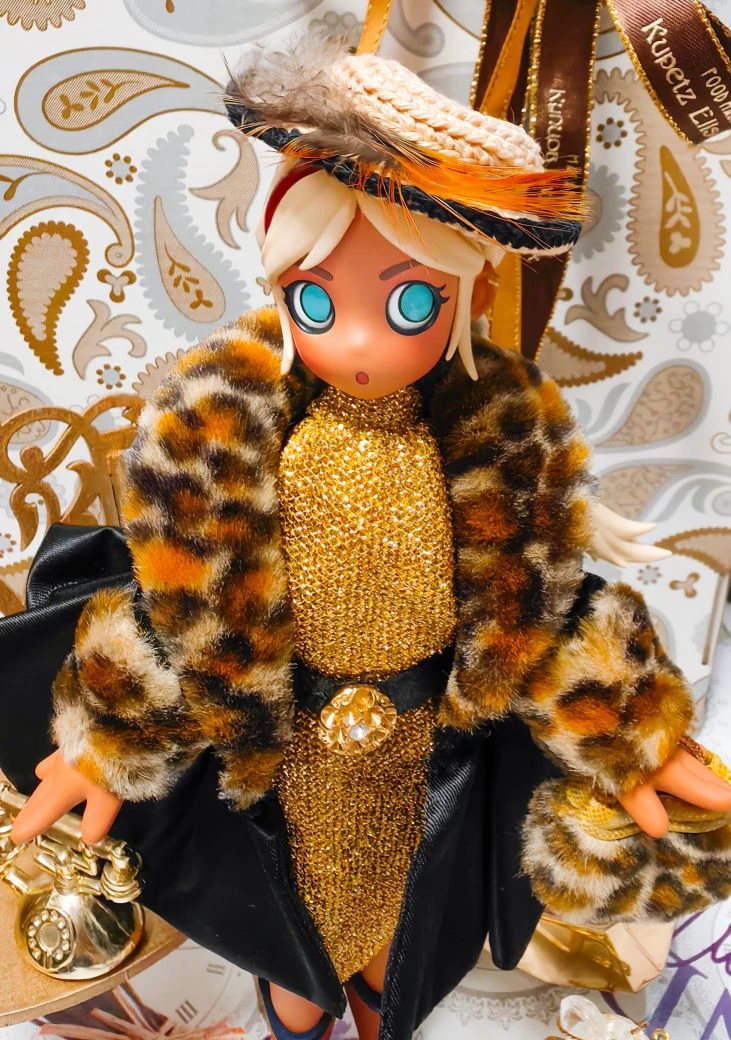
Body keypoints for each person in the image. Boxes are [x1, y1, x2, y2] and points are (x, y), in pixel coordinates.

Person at [9, 37, 731, 1040]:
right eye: (315, 298)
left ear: (463, 291)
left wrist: (624, 727)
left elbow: (535, 613)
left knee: (402, 943)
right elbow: (187, 607)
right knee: (289, 952)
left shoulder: (489, 449)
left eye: (407, 301)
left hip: (419, 767)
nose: (356, 340)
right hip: (287, 766)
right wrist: (110, 734)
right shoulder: (229, 442)